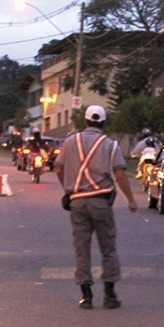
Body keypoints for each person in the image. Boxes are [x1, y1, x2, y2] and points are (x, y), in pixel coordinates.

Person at [54, 105, 138, 310]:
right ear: (103, 122)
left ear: (85, 121)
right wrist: (131, 199)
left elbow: (58, 168)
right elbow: (119, 175)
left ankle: (86, 296)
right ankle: (109, 295)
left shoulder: (70, 141)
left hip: (77, 202)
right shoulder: (110, 144)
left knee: (82, 249)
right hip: (101, 202)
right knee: (108, 248)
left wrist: (68, 188)